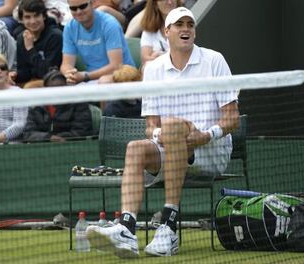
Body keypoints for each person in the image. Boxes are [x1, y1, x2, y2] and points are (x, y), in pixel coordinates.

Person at [85, 7, 240, 258]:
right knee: (136, 147)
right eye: (179, 25)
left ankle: (169, 224)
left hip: (211, 150)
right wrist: (165, 135)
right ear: (166, 32)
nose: (186, 29)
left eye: (190, 24)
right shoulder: (153, 69)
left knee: (173, 128)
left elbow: (232, 120)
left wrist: (205, 135)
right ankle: (126, 228)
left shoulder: (214, 60)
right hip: (171, 146)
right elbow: (150, 126)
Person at [60, 0, 135, 85]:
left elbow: (116, 66)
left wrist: (85, 76)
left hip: (122, 74)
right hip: (91, 77)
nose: (78, 11)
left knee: (104, 82)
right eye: (73, 8)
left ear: (92, 4)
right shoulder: (70, 28)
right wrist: (69, 74)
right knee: (59, 83)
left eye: (83, 6)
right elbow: (66, 64)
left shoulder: (109, 24)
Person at [23, 68, 93, 142]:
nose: (57, 94)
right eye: (53, 91)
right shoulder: (35, 106)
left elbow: (82, 131)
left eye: (60, 90)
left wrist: (61, 138)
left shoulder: (79, 103)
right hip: (44, 146)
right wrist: (48, 137)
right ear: (45, 90)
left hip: (70, 145)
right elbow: (28, 133)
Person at [15, 0, 63, 87]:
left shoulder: (55, 36)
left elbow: (48, 74)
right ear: (22, 20)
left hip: (53, 84)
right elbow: (23, 72)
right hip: (29, 83)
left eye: (36, 16)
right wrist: (14, 75)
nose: (33, 21)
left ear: (44, 16)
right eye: (27, 17)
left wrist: (30, 49)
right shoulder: (21, 37)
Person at [140, 0, 182, 66]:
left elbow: (183, 57)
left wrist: (158, 55)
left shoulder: (186, 26)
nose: (170, 2)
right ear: (155, 4)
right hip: (157, 71)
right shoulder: (149, 29)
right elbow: (145, 59)